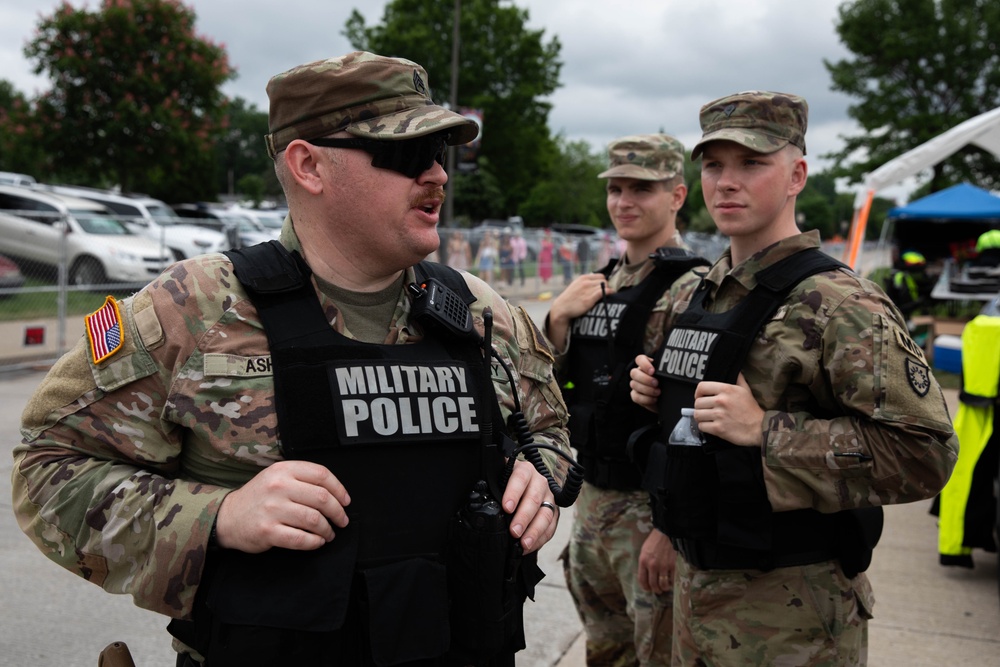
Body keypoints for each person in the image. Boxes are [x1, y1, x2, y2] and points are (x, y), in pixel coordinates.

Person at [12, 50, 572, 667]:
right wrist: (216, 517)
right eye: (408, 155)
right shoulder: (193, 310)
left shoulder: (478, 312)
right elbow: (47, 468)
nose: (437, 176)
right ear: (309, 165)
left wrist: (538, 479)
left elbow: (548, 432)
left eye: (441, 155)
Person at [629, 91, 959, 666]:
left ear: (796, 175)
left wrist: (768, 432)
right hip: (693, 597)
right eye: (713, 165)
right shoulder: (698, 290)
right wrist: (659, 394)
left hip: (792, 616)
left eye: (752, 164)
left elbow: (925, 452)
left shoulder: (841, 303)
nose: (726, 182)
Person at [545, 134, 708, 665]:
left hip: (647, 505)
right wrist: (557, 321)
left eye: (641, 188)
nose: (624, 202)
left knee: (657, 651)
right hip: (593, 496)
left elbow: (691, 423)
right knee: (606, 649)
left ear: (677, 195)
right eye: (615, 189)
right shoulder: (600, 283)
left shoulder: (693, 288)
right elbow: (551, 387)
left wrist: (668, 525)